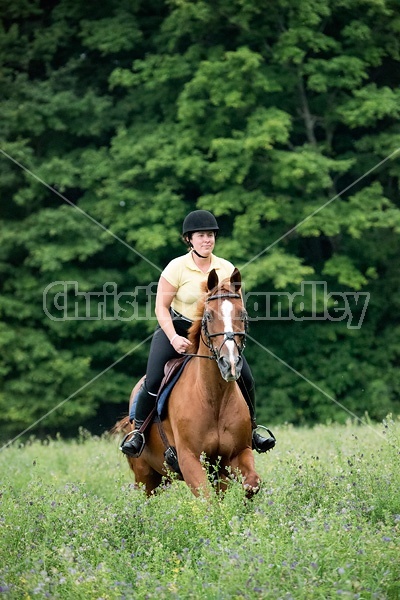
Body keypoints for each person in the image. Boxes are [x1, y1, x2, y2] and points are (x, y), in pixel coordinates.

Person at [120, 210, 276, 457]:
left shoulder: (226, 268)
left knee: (245, 377)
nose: (208, 240)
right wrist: (173, 337)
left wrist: (232, 339)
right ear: (189, 240)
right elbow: (161, 307)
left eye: (211, 235)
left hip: (215, 335)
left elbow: (236, 308)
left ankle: (253, 430)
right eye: (201, 235)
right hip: (179, 329)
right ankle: (138, 432)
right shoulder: (176, 268)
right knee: (152, 380)